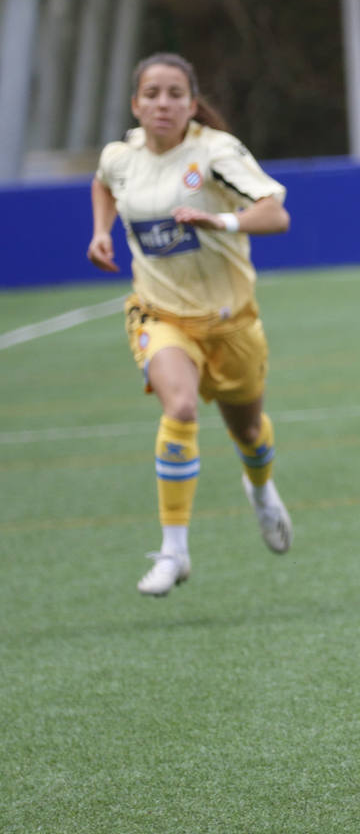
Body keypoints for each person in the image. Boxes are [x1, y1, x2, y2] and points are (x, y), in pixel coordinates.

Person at [87, 52, 294, 597]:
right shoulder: (120, 156)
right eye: (151, 93)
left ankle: (261, 489)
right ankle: (174, 551)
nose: (162, 103)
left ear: (191, 103)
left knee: (248, 430)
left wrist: (219, 219)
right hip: (160, 313)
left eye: (175, 93)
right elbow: (103, 183)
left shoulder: (215, 153)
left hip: (230, 320)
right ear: (135, 103)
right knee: (178, 407)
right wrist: (101, 232)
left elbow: (276, 213)